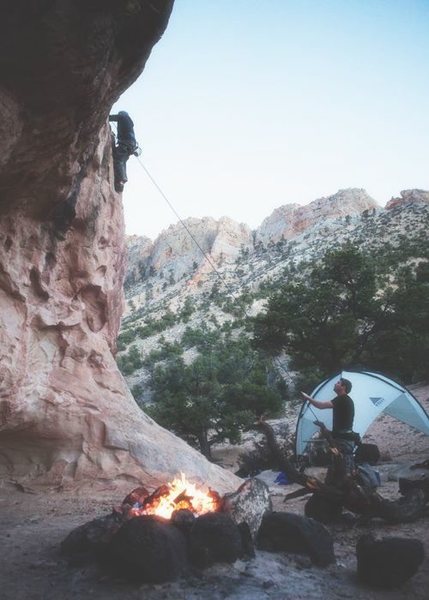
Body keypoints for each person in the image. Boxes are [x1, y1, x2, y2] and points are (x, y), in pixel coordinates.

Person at [301, 378, 356, 483]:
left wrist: (308, 398)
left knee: (343, 467)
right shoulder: (344, 400)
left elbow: (320, 406)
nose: (335, 384)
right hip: (346, 438)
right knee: (345, 466)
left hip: (343, 440)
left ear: (343, 387)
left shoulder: (342, 399)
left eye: (338, 383)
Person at [109, 111, 140, 192]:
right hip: (130, 145)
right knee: (123, 161)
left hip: (126, 143)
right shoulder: (129, 122)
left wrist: (105, 117)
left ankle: (121, 179)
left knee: (118, 160)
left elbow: (115, 117)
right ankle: (123, 178)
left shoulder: (124, 117)